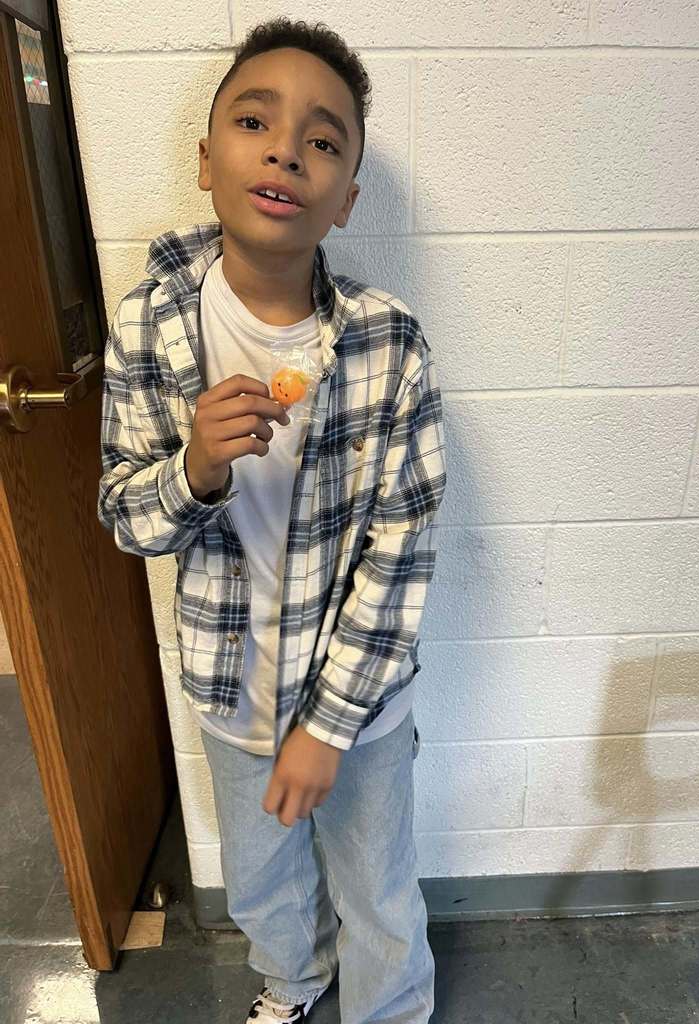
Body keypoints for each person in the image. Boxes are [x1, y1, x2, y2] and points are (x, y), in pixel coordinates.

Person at [96, 15, 447, 1024]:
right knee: (260, 886)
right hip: (227, 686)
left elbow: (401, 555)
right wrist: (196, 468)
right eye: (256, 120)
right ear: (208, 162)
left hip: (362, 708)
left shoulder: (389, 348)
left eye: (324, 139)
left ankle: (389, 1011)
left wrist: (330, 727)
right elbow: (126, 517)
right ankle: (292, 986)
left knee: (377, 889)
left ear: (344, 201)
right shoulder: (151, 322)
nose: (287, 147)